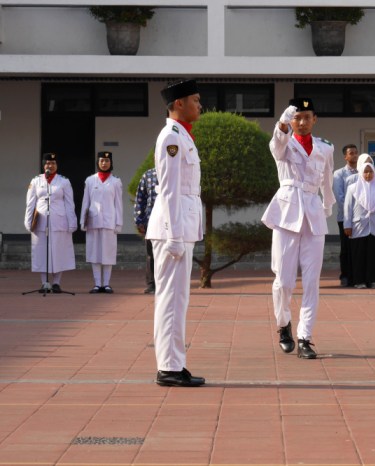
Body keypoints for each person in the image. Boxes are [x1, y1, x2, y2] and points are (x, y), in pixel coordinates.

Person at [262, 98, 335, 359]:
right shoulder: (283, 142)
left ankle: (305, 336)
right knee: (283, 280)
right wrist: (283, 122)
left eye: (307, 117)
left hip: (313, 215)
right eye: (298, 118)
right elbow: (276, 146)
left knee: (312, 281)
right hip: (287, 212)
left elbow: (327, 179)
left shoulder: (326, 147)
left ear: (315, 119)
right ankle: (283, 324)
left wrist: (327, 208)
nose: (302, 122)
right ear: (291, 120)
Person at [146, 79, 204, 387]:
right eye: (194, 100)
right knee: (170, 299)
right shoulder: (171, 136)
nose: (199, 105)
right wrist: (172, 235)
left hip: (182, 225)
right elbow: (168, 189)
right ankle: (167, 367)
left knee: (178, 299)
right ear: (178, 103)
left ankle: (175, 363)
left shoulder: (183, 136)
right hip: (173, 228)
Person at [24, 152, 77, 293]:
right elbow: (30, 203)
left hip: (59, 221)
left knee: (58, 251)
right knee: (41, 251)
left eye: (53, 163)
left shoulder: (64, 181)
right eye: (47, 163)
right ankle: (44, 283)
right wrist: (28, 221)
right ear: (43, 165)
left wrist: (72, 222)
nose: (50, 166)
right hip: (41, 221)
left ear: (57, 165)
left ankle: (56, 283)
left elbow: (69, 203)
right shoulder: (36, 181)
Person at [80, 151, 123, 294]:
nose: (104, 163)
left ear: (111, 162)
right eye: (102, 161)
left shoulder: (116, 181)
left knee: (108, 253)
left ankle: (107, 284)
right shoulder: (90, 180)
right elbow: (85, 202)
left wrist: (119, 223)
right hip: (93, 221)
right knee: (95, 253)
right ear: (98, 162)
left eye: (107, 161)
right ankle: (97, 283)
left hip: (109, 222)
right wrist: (83, 221)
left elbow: (118, 204)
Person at [344, 160, 375, 289]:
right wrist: (347, 225)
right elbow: (348, 207)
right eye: (365, 172)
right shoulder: (353, 188)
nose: (368, 174)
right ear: (361, 173)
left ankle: (374, 280)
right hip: (358, 226)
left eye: (370, 171)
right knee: (359, 254)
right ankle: (359, 280)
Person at [332, 144, 359, 287]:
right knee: (346, 248)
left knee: (357, 248)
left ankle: (357, 275)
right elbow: (340, 197)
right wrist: (351, 213)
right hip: (345, 218)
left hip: (360, 219)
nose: (354, 155)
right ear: (345, 156)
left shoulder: (362, 171)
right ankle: (346, 275)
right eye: (351, 153)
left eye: (356, 153)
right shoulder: (339, 174)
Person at [134, 167, 159, 294]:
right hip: (151, 220)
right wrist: (139, 219)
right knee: (151, 253)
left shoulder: (175, 172)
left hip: (170, 222)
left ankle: (165, 284)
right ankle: (151, 284)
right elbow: (140, 198)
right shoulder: (148, 175)